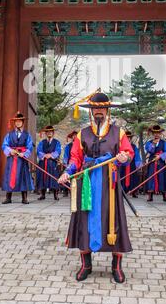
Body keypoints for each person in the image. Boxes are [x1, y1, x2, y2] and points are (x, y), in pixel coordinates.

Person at [59, 92, 134, 284]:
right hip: (88, 185)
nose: (98, 112)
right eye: (95, 109)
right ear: (91, 112)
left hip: (110, 185)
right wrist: (68, 171)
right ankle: (86, 265)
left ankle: (116, 266)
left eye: (101, 108)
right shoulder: (81, 133)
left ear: (107, 110)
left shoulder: (119, 132)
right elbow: (75, 158)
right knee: (85, 221)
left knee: (113, 222)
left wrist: (125, 157)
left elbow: (128, 152)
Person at [1, 111, 34, 204]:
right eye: (16, 121)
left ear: (23, 122)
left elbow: (30, 146)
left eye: (20, 121)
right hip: (12, 158)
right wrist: (10, 151)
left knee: (23, 177)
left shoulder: (27, 135)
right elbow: (4, 145)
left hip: (22, 158)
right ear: (14, 123)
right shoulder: (9, 134)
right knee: (10, 176)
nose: (18, 123)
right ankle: (8, 197)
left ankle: (24, 198)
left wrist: (25, 153)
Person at [145, 125, 166, 202]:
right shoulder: (149, 143)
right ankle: (150, 195)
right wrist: (153, 144)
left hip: (161, 162)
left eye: (158, 133)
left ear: (160, 133)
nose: (156, 134)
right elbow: (149, 151)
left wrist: (160, 156)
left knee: (162, 177)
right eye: (155, 133)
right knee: (151, 177)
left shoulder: (164, 143)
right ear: (152, 134)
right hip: (152, 162)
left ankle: (164, 195)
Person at [37, 126, 61, 201]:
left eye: (51, 131)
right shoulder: (42, 142)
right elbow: (39, 151)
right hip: (43, 162)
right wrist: (44, 155)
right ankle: (42, 194)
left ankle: (55, 195)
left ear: (53, 133)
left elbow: (58, 151)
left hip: (52, 163)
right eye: (47, 132)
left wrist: (51, 155)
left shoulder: (57, 142)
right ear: (45, 133)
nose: (49, 133)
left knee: (54, 178)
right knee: (42, 178)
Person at [120, 130, 142, 198]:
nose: (128, 139)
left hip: (132, 165)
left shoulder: (134, 146)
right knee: (122, 177)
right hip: (123, 165)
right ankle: (122, 191)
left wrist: (138, 165)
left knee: (133, 178)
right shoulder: (120, 146)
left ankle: (133, 191)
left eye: (129, 137)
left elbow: (137, 156)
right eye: (127, 137)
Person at [62, 131, 78, 197]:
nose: (75, 137)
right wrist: (65, 163)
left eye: (76, 135)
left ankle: (74, 191)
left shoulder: (80, 145)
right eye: (73, 135)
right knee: (67, 177)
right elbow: (66, 155)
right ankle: (65, 191)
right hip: (69, 163)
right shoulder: (68, 146)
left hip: (77, 163)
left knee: (76, 178)